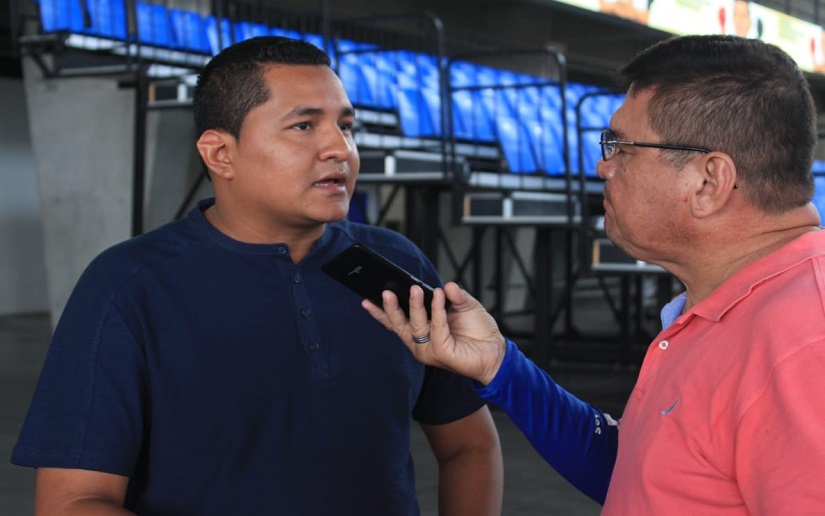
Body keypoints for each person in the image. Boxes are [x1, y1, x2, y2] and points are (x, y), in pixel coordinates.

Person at [12, 36, 503, 515]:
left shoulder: (395, 263)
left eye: (346, 126)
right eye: (304, 126)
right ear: (220, 154)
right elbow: (71, 502)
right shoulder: (128, 285)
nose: (340, 148)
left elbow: (470, 446)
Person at [365, 34, 825, 513]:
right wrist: (500, 366)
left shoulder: (804, 344)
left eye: (622, 147)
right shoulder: (741, 306)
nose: (604, 166)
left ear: (709, 181)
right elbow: (638, 471)